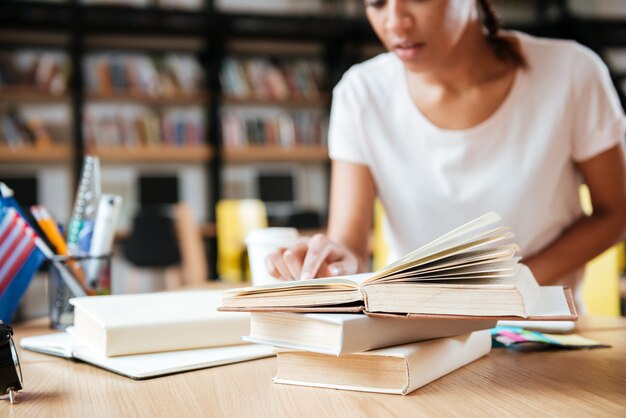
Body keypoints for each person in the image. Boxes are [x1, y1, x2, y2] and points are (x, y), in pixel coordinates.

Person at [265, 0, 626, 308]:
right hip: (414, 331)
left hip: (537, 332)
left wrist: (511, 283)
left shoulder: (571, 73)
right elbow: (351, 244)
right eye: (376, 2)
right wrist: (332, 260)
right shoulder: (361, 93)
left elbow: (616, 212)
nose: (395, 22)